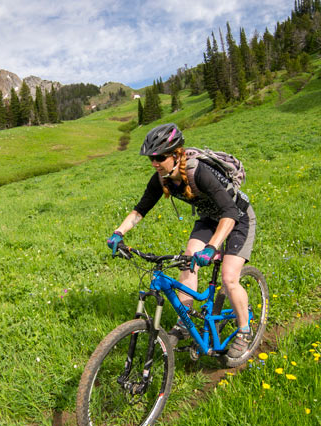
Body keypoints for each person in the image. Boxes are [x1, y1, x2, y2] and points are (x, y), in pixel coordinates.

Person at [107, 123, 256, 359]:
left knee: (229, 278)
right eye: (151, 159)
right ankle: (185, 322)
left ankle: (245, 330)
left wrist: (211, 247)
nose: (155, 163)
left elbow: (229, 213)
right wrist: (119, 233)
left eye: (159, 157)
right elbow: (140, 210)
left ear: (176, 154)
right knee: (188, 261)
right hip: (209, 218)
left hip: (237, 218)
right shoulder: (161, 178)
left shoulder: (200, 173)